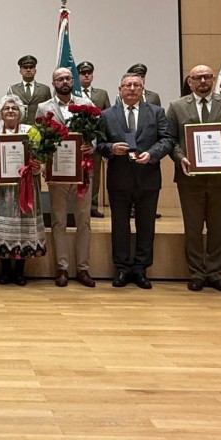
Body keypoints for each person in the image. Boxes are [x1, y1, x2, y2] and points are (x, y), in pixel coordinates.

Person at [166, 65, 221, 294]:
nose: (203, 80)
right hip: (189, 178)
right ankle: (196, 273)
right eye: (197, 77)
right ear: (190, 82)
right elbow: (170, 140)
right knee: (193, 228)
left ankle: (215, 273)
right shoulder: (176, 106)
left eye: (207, 77)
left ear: (213, 79)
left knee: (218, 227)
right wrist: (180, 157)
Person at [97, 73, 174, 289]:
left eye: (136, 85)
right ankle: (121, 268)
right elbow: (98, 143)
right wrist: (111, 148)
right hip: (118, 178)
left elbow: (167, 139)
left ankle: (141, 268)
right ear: (119, 89)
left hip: (148, 177)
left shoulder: (157, 112)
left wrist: (152, 154)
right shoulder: (106, 115)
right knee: (120, 226)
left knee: (146, 225)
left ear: (143, 88)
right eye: (127, 85)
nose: (132, 88)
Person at [36, 68, 97, 288]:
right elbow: (40, 138)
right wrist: (43, 163)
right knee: (58, 221)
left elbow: (97, 132)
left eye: (67, 78)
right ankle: (61, 267)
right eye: (59, 79)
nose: (64, 81)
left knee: (84, 221)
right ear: (53, 82)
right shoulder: (44, 108)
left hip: (83, 171)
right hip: (58, 172)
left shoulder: (86, 104)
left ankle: (83, 268)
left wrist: (94, 145)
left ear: (73, 81)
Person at [0, 94, 45, 285]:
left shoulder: (31, 132)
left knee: (23, 227)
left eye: (14, 108)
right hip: (2, 189)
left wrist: (38, 166)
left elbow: (41, 158)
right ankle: (5, 272)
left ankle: (20, 272)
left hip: (25, 186)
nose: (10, 111)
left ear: (20, 112)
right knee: (3, 228)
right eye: (6, 108)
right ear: (0, 113)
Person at [77, 60, 111, 218]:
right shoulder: (73, 94)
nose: (86, 76)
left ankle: (93, 205)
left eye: (88, 73)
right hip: (76, 142)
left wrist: (102, 141)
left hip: (95, 141)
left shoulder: (101, 94)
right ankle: (76, 205)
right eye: (83, 73)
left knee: (95, 174)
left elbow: (108, 117)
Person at [7, 55, 52, 126]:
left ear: (35, 70)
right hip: (18, 128)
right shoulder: (12, 89)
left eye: (31, 67)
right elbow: (8, 110)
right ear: (20, 71)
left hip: (40, 128)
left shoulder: (45, 89)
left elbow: (49, 111)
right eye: (25, 68)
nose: (28, 70)